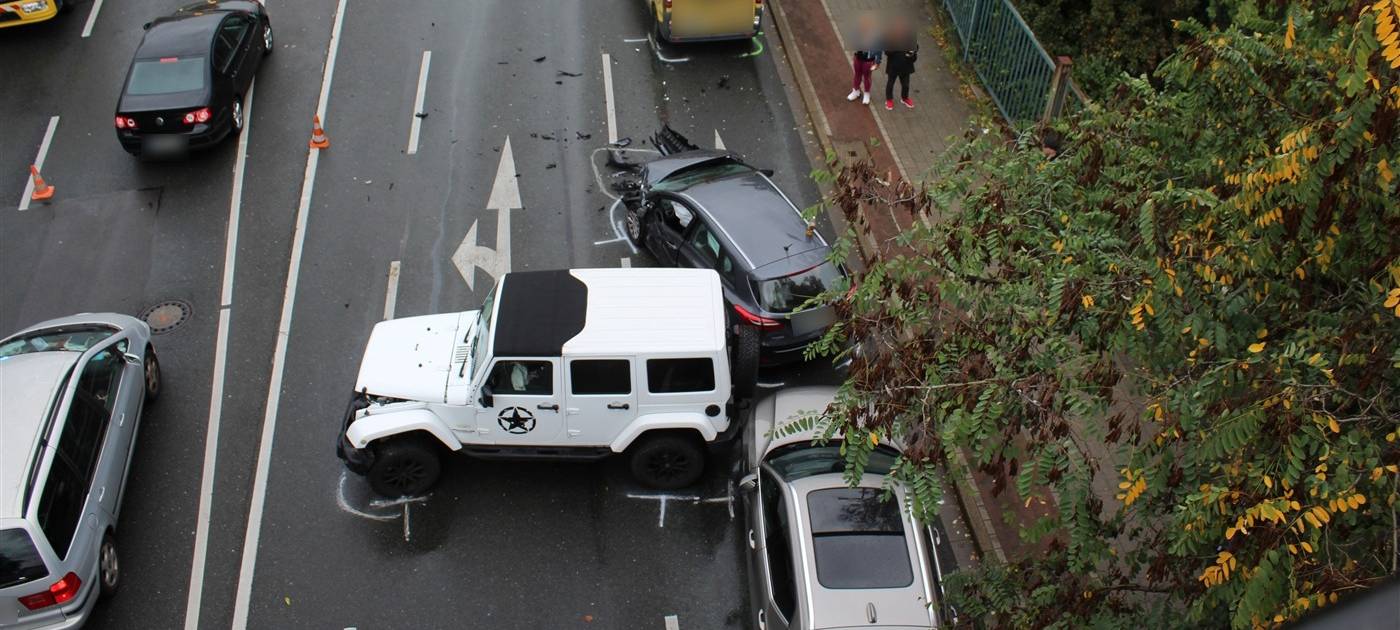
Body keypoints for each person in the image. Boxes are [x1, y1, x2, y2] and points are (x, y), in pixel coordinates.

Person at [882, 18, 919, 111]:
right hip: (893, 66)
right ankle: (889, 100)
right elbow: (887, 52)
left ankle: (904, 98)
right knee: (890, 83)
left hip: (906, 66)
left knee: (906, 85)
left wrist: (912, 52)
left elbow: (915, 48)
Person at [846, 14, 882, 105]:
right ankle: (856, 91)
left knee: (867, 77)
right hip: (858, 57)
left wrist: (878, 62)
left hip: (869, 60)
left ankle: (867, 93)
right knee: (857, 75)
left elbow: (879, 50)